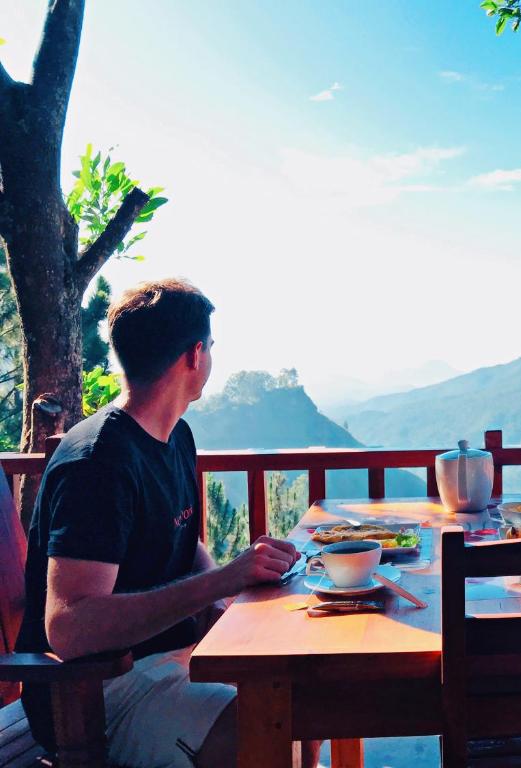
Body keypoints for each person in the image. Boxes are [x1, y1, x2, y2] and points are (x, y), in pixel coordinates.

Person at [16, 279, 321, 768]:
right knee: (276, 729)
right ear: (195, 355)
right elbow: (69, 629)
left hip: (170, 660)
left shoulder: (174, 435)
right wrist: (223, 580)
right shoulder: (98, 462)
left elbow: (183, 542)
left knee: (306, 702)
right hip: (99, 692)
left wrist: (232, 601)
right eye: (212, 348)